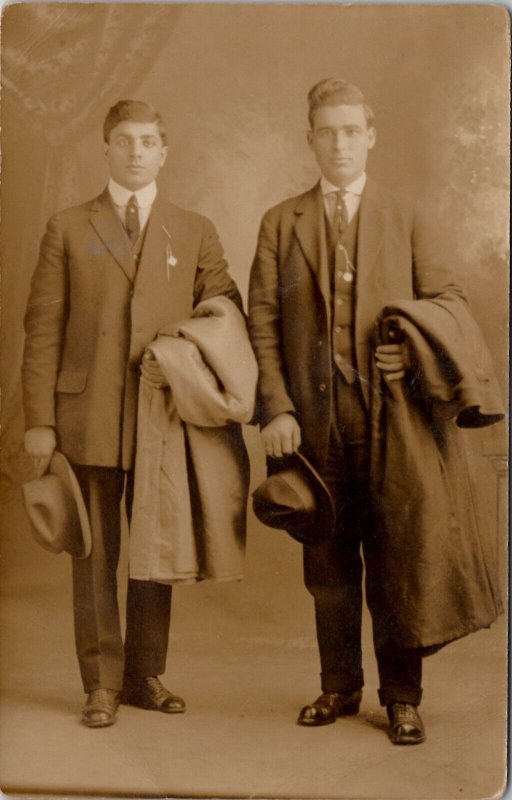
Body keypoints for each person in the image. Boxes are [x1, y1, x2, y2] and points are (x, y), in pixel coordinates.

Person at [247, 78, 502, 745]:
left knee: (398, 558)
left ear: (371, 136)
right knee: (327, 564)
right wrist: (275, 407)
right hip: (310, 425)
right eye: (326, 131)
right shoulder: (281, 222)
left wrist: (413, 358)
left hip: (395, 422)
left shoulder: (406, 215)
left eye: (351, 130)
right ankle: (338, 686)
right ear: (310, 139)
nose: (339, 143)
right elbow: (264, 324)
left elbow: (447, 301)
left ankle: (402, 697)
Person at [22, 100, 243, 728]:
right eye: (125, 141)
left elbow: (224, 313)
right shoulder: (67, 226)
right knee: (93, 553)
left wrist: (178, 357)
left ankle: (145, 673)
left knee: (154, 546)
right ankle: (101, 681)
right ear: (107, 149)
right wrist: (40, 418)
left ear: (164, 151)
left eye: (148, 142)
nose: (137, 152)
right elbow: (42, 329)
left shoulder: (193, 228)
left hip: (160, 414)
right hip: (85, 414)